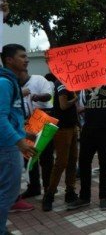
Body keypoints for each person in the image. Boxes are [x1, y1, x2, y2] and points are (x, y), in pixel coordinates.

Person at [67, 65, 106, 211]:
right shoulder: (87, 79)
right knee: (84, 162)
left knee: (104, 162)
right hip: (89, 127)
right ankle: (84, 197)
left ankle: (104, 197)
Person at [0, 44, 36, 235]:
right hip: (6, 147)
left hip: (8, 143)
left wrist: (24, 134)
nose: (27, 59)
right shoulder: (5, 83)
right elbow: (0, 117)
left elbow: (10, 116)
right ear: (9, 60)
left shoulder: (10, 81)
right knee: (9, 192)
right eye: (22, 56)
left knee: (7, 191)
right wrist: (19, 140)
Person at [42, 78, 79, 211]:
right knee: (62, 162)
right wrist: (77, 97)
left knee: (72, 160)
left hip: (72, 126)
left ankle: (70, 192)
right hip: (63, 128)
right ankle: (49, 195)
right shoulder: (61, 83)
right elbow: (63, 105)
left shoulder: (69, 82)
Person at [19, 69, 54, 198]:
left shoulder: (39, 79)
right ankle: (33, 187)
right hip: (26, 124)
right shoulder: (15, 87)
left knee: (46, 158)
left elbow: (48, 96)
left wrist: (36, 96)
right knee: (28, 156)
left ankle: (48, 189)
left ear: (24, 72)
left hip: (43, 120)